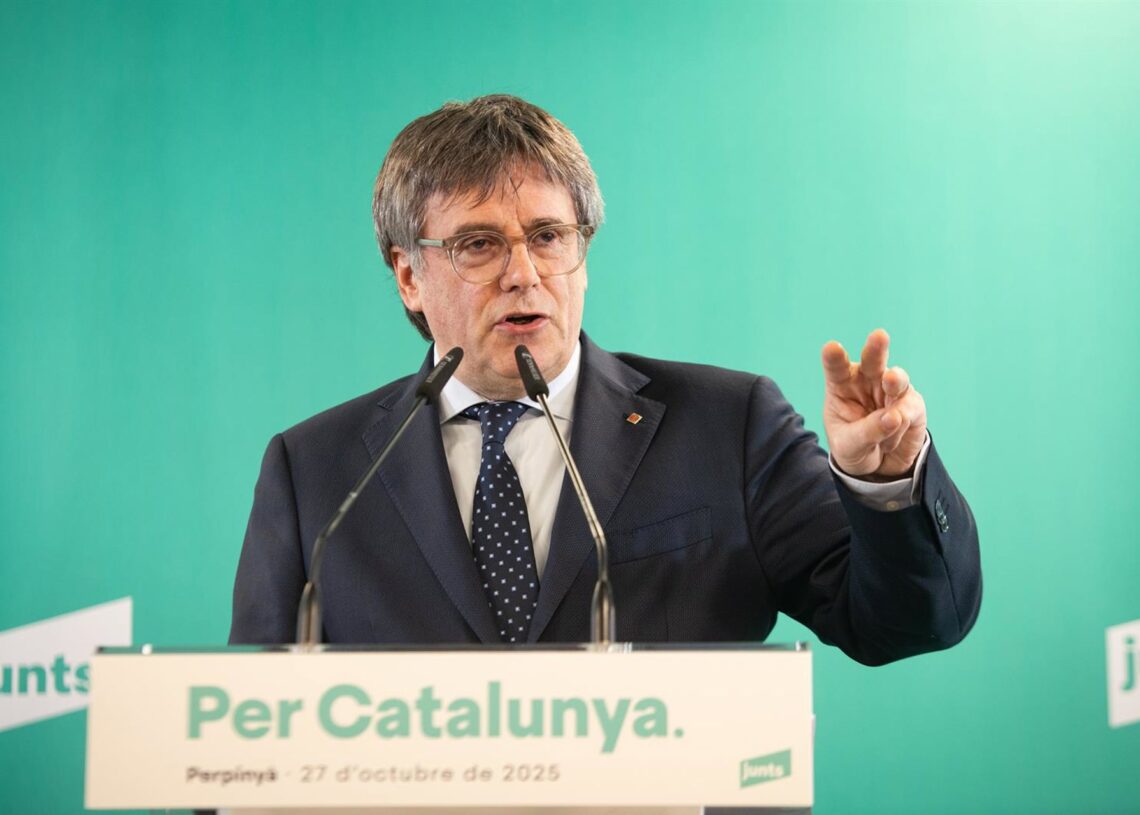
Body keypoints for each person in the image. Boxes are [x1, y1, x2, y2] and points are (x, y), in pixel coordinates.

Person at [230, 95, 981, 664]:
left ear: (582, 253)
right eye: (479, 244)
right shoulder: (317, 474)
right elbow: (250, 739)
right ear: (409, 276)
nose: (523, 275)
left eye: (549, 237)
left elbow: (907, 622)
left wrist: (883, 486)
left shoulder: (728, 425)